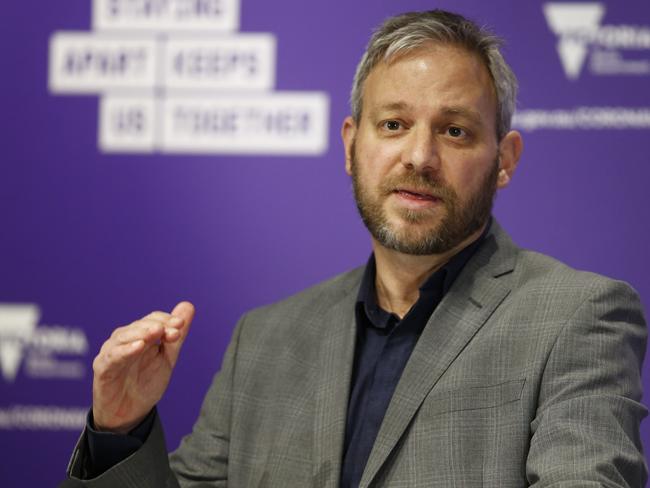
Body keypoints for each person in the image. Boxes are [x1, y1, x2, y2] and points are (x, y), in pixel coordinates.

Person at [65, 9, 647, 487]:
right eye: (393, 124)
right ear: (351, 145)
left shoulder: (577, 317)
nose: (419, 157)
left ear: (505, 160)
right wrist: (121, 430)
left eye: (455, 131)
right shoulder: (263, 341)